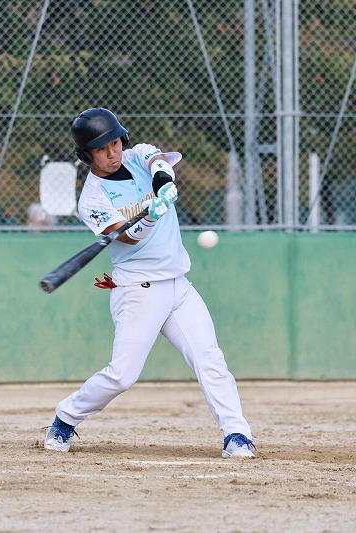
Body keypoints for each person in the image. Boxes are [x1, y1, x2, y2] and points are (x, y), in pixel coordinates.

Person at [43, 107, 256, 458]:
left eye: (114, 143)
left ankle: (237, 434)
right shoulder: (92, 199)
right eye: (101, 149)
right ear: (87, 155)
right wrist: (151, 217)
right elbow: (126, 238)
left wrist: (162, 182)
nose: (112, 153)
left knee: (210, 359)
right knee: (122, 376)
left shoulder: (137, 155)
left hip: (178, 284)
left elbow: (158, 160)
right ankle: (66, 417)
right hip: (137, 289)